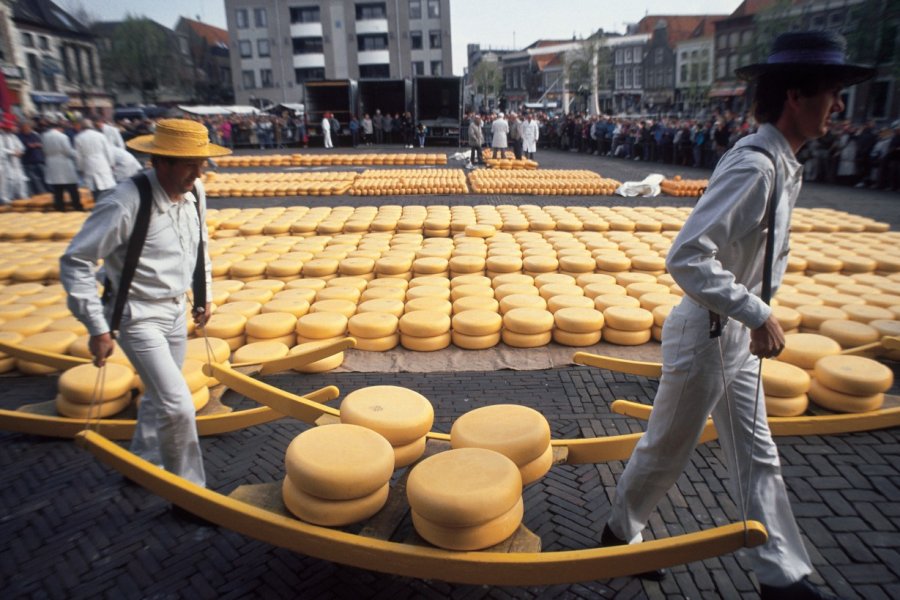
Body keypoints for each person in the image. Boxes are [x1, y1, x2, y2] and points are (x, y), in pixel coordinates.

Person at [601, 31, 874, 600]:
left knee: (757, 454)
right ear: (796, 96)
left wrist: (752, 314)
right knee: (666, 448)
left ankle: (782, 574)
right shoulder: (757, 168)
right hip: (706, 335)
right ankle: (617, 533)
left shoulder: (781, 163)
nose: (839, 106)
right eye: (831, 92)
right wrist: (755, 311)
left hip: (732, 339)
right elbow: (686, 254)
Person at [60, 119, 228, 491]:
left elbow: (199, 246)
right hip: (138, 317)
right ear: (160, 161)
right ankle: (189, 492)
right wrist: (97, 327)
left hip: (174, 310)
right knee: (178, 405)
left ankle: (143, 462)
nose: (199, 172)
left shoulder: (196, 191)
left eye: (201, 163)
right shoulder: (124, 202)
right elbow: (76, 261)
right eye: (189, 164)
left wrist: (204, 295)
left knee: (158, 394)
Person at [42, 118, 83, 211]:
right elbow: (67, 151)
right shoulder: (62, 137)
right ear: (61, 128)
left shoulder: (44, 136)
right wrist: (78, 154)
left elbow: (44, 150)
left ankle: (60, 207)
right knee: (72, 188)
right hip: (64, 164)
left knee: (57, 189)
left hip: (52, 164)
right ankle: (77, 206)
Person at [74, 118, 116, 202]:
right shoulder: (100, 136)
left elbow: (78, 156)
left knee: (95, 188)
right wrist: (112, 163)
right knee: (107, 186)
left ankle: (98, 205)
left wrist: (80, 168)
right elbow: (108, 151)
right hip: (102, 162)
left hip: (88, 164)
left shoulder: (78, 138)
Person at [0, 115, 28, 203]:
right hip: (6, 162)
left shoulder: (13, 137)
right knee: (7, 181)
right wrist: (12, 152)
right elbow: (2, 149)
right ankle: (6, 198)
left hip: (16, 161)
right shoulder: (1, 137)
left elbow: (21, 147)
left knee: (20, 179)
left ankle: (22, 194)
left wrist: (20, 151)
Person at [18, 121, 48, 196]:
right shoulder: (19, 136)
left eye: (29, 127)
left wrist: (36, 145)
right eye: (26, 127)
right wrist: (31, 145)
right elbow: (24, 146)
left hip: (38, 159)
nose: (28, 129)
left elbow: (41, 144)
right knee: (34, 178)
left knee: (44, 175)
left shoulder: (34, 135)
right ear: (22, 128)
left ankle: (48, 190)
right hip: (28, 161)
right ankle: (40, 192)